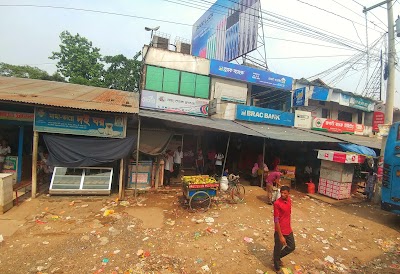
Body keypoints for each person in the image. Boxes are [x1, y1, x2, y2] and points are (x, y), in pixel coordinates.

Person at [273, 186, 295, 272]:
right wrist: (281, 236)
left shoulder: (289, 200)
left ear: (288, 194)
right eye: (281, 192)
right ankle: (277, 267)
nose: (282, 194)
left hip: (288, 229)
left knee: (292, 246)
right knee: (277, 248)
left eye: (285, 193)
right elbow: (276, 220)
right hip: (280, 230)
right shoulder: (277, 203)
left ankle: (277, 257)